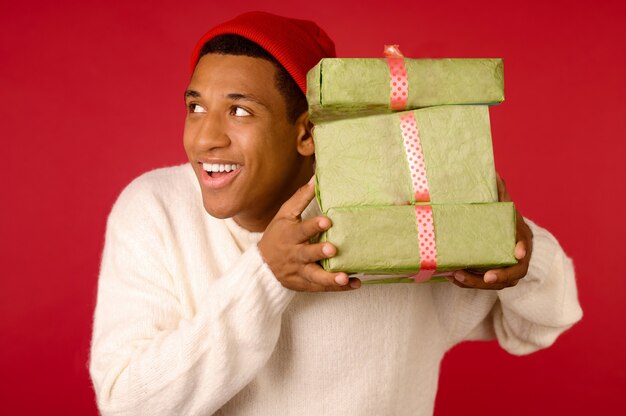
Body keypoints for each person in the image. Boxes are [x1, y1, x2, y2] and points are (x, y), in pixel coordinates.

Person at [89, 11, 583, 416]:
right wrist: (266, 277)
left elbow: (541, 325)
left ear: (307, 132)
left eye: (239, 111)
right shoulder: (155, 208)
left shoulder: (400, 213)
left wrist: (524, 254)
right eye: (195, 107)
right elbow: (127, 402)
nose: (203, 138)